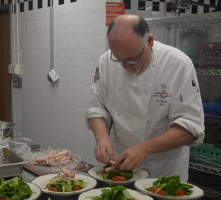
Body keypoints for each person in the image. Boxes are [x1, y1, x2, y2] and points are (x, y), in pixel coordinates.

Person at [85, 14, 205, 182]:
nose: (125, 66)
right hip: (121, 170)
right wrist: (102, 137)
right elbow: (96, 108)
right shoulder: (106, 61)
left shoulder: (178, 64)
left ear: (149, 41)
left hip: (164, 173)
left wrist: (145, 148)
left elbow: (191, 127)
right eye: (119, 60)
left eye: (132, 59)